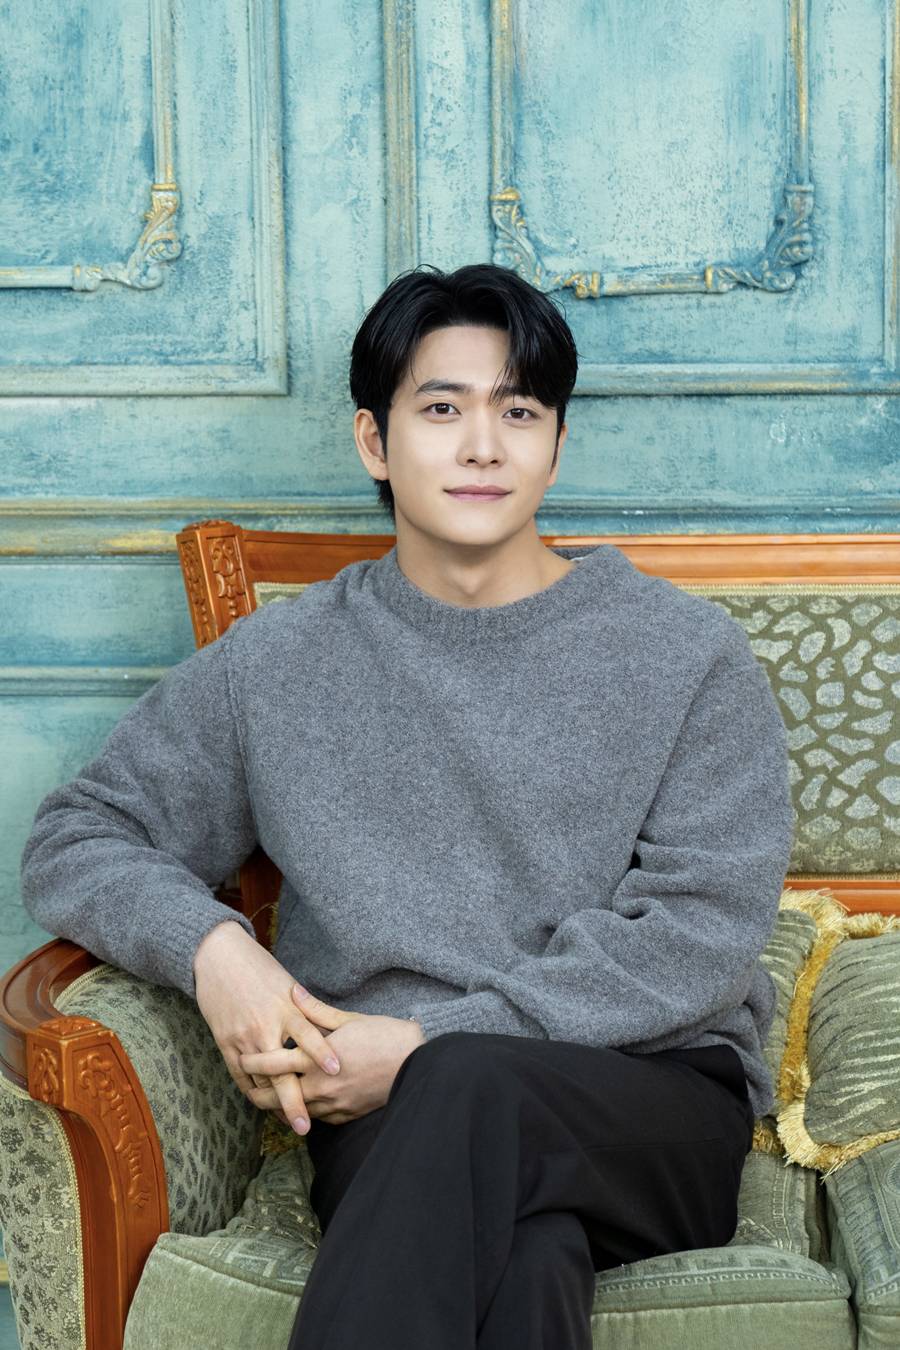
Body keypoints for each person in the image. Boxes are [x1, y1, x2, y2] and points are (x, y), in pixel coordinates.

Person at [20, 263, 795, 1349]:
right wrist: (215, 951)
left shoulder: (684, 654)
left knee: (465, 1086)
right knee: (528, 1262)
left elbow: (699, 935)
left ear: (556, 444)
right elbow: (78, 835)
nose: (483, 446)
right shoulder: (278, 665)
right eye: (441, 409)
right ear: (373, 442)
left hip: (646, 1104)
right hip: (387, 1115)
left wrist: (427, 1042)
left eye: (518, 412)